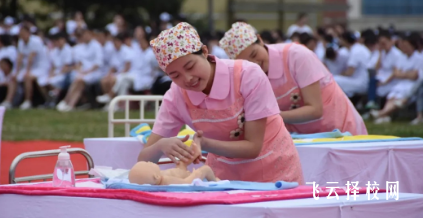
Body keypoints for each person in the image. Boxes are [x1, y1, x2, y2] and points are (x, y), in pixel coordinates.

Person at [137, 22, 303, 183]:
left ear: (204, 51)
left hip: (274, 170)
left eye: (190, 66)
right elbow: (143, 161)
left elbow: (253, 147)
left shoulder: (247, 75)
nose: (187, 79)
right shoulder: (176, 96)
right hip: (222, 178)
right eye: (175, 75)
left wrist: (205, 144)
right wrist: (160, 146)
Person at [219, 22, 367, 135]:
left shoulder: (296, 55)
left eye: (253, 54)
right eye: (247, 62)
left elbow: (315, 109)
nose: (254, 63)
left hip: (340, 130)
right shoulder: (248, 74)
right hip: (304, 139)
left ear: (260, 40)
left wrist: (269, 116)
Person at [370, 35, 423, 124]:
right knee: (392, 96)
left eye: (406, 46)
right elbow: (396, 73)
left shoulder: (419, 58)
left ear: (413, 46)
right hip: (401, 83)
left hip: (412, 84)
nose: (404, 48)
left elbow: (415, 76)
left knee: (400, 97)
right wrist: (407, 74)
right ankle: (385, 115)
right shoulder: (402, 57)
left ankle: (381, 113)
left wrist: (402, 73)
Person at [57, 29, 103, 112]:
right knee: (79, 82)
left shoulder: (96, 46)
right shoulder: (82, 47)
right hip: (84, 73)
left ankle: (66, 101)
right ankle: (70, 105)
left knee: (79, 79)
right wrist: (80, 70)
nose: (85, 37)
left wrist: (86, 72)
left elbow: (97, 63)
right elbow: (79, 63)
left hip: (95, 73)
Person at [333, 31, 371, 98]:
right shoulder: (360, 47)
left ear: (345, 40)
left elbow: (349, 72)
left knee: (334, 80)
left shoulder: (355, 51)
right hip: (363, 80)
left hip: (360, 83)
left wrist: (340, 74)